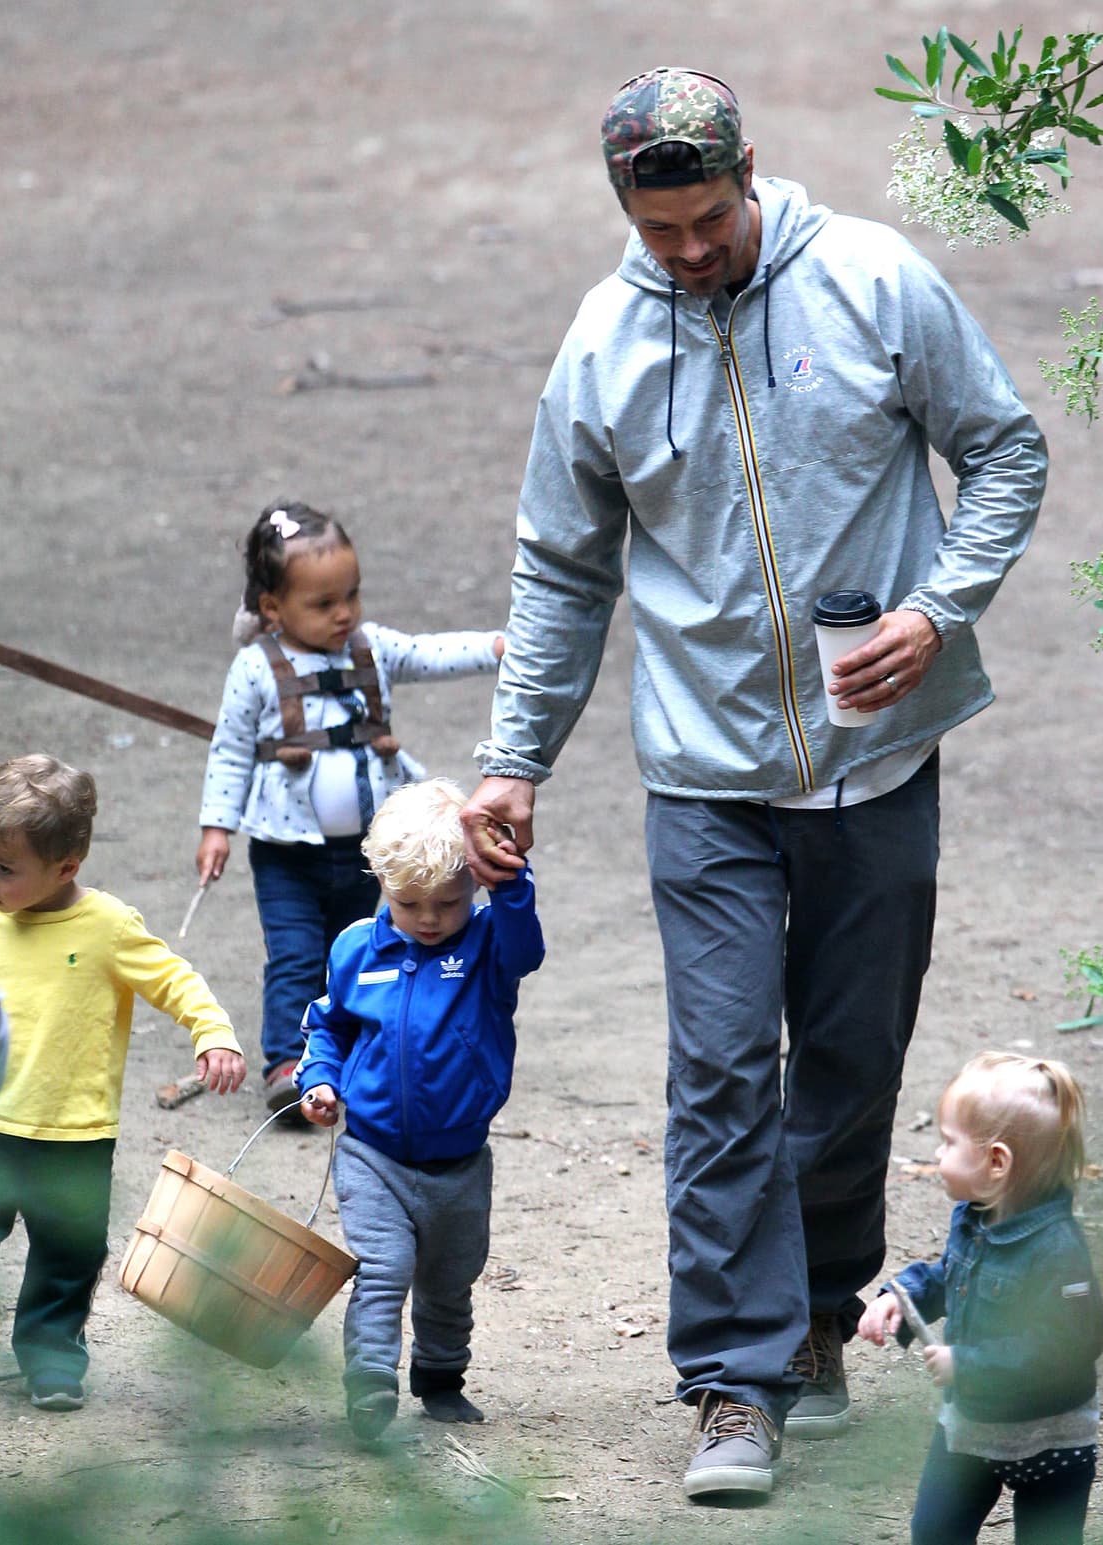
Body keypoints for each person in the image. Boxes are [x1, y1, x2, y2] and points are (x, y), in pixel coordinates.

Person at [459, 66, 1048, 1501]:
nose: (688, 251)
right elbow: (560, 565)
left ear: (750, 178)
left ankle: (830, 1306)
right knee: (722, 1072)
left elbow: (1006, 445)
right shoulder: (605, 347)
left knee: (848, 1074)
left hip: (877, 761)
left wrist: (941, 606)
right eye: (658, 230)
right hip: (705, 776)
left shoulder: (869, 281)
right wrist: (513, 756)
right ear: (625, 214)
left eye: (707, 219)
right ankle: (733, 1376)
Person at [196, 501, 505, 1120]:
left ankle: (339, 1049)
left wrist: (494, 646)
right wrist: (216, 826)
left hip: (367, 851)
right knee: (295, 954)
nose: (344, 614)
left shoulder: (372, 648)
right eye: (323, 603)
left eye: (351, 596)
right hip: (284, 850)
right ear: (272, 608)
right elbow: (230, 749)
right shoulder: (256, 668)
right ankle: (288, 1062)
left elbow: (426, 652)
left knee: (353, 947)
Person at [295, 777, 544, 1442]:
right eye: (408, 902)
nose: (429, 917)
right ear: (380, 882)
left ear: (473, 887)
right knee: (382, 1268)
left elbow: (529, 948)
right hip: (372, 1151)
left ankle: (441, 1379)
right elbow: (330, 1026)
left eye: (447, 901)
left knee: (448, 1280)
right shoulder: (356, 948)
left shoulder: (488, 943)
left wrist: (508, 881)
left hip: (459, 1162)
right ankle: (370, 1385)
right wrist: (320, 1078)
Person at [0, 753, 245, 1411]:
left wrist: (213, 1032)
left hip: (73, 1131)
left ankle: (51, 1356)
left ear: (65, 867)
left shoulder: (106, 926)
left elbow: (174, 978)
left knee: (68, 1254)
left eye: (4, 869)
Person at [858, 1053, 1103, 1545]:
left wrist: (970, 1365)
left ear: (997, 1162)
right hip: (970, 1429)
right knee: (934, 1532)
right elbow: (952, 1276)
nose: (936, 1152)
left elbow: (1065, 1345)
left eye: (949, 1142)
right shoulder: (974, 1217)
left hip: (1050, 1439)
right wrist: (902, 1297)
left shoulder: (1059, 1251)